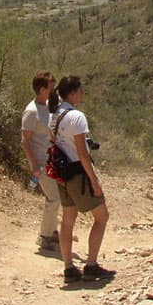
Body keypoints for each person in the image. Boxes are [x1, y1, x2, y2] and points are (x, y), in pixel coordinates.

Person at [48, 75, 115, 283]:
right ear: (73, 92)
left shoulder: (54, 115)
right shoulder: (76, 116)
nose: (83, 94)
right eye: (81, 90)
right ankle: (91, 264)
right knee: (101, 216)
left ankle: (69, 267)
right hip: (78, 173)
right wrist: (94, 181)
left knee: (68, 220)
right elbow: (82, 153)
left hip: (63, 174)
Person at [21, 71, 61, 251]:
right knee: (53, 198)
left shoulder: (49, 106)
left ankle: (52, 231)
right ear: (42, 89)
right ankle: (44, 235)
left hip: (52, 159)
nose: (54, 90)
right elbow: (25, 140)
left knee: (57, 196)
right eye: (51, 87)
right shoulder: (31, 112)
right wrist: (34, 165)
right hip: (42, 162)